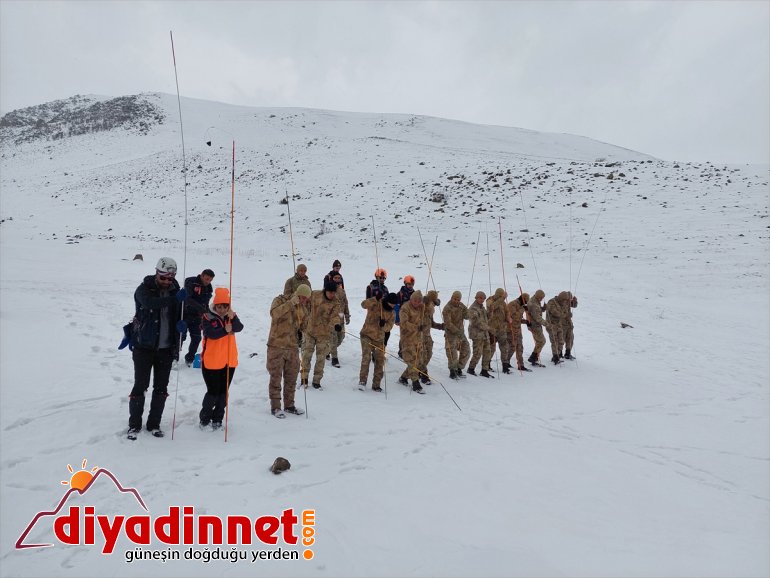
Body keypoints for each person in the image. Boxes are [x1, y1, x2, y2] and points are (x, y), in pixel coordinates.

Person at [127, 257, 186, 439]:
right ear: (157, 273)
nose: (167, 281)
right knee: (140, 386)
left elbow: (185, 311)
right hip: (143, 346)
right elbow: (150, 303)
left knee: (161, 388)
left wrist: (184, 326)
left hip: (166, 348)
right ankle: (134, 425)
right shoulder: (143, 289)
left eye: (170, 278)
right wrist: (174, 299)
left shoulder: (177, 291)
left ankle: (154, 424)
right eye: (163, 278)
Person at [199, 287, 243, 429]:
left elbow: (239, 327)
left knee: (223, 393)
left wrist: (233, 317)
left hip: (229, 362)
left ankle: (218, 418)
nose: (222, 310)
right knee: (213, 393)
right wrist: (225, 330)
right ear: (215, 305)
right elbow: (211, 333)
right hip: (211, 362)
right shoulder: (207, 317)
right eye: (219, 306)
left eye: (225, 306)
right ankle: (205, 417)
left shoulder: (231, 316)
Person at [266, 284, 310, 417]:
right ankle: (275, 407)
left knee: (291, 378)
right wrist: (290, 304)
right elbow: (274, 314)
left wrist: (303, 331)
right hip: (276, 346)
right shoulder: (280, 300)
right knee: (276, 377)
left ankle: (289, 405)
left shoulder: (303, 308)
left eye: (305, 299)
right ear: (297, 294)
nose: (303, 301)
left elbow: (304, 325)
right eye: (301, 298)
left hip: (292, 348)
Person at [300, 278, 342, 389]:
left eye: (334, 293)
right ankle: (304, 378)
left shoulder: (336, 302)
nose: (332, 295)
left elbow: (335, 316)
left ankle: (316, 381)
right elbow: (304, 302)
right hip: (310, 331)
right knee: (306, 355)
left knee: (321, 358)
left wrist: (336, 324)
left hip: (324, 334)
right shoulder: (315, 294)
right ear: (325, 290)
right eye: (330, 292)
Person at [359, 292, 397, 391]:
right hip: (366, 335)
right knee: (366, 358)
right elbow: (363, 304)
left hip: (380, 339)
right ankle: (362, 381)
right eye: (391, 303)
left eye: (394, 304)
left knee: (380, 361)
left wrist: (383, 325)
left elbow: (389, 327)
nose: (392, 305)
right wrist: (375, 298)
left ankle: (376, 384)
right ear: (386, 300)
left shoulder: (392, 313)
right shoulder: (376, 303)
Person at [182, 268, 215, 366]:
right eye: (207, 279)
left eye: (210, 280)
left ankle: (189, 358)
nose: (208, 282)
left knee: (196, 338)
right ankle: (174, 357)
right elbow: (187, 299)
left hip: (197, 317)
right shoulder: (190, 282)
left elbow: (206, 304)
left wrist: (209, 316)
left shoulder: (209, 287)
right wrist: (201, 309)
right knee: (180, 337)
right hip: (184, 314)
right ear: (201, 275)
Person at [397, 291, 426, 393]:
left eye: (419, 301)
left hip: (417, 338)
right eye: (415, 300)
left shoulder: (421, 307)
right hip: (407, 338)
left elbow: (427, 302)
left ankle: (403, 378)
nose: (416, 303)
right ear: (411, 299)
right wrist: (416, 327)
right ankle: (415, 382)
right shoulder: (405, 308)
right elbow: (404, 323)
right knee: (412, 361)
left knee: (418, 361)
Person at [417, 290, 444, 384]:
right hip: (419, 336)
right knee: (422, 356)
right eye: (433, 302)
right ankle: (424, 375)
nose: (433, 306)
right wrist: (426, 300)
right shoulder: (423, 307)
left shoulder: (430, 312)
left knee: (429, 355)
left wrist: (441, 326)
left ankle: (417, 371)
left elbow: (431, 323)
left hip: (427, 336)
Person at [442, 291, 470, 379]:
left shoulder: (461, 306)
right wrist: (457, 331)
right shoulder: (447, 308)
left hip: (460, 333)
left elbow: (467, 316)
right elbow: (448, 323)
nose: (456, 301)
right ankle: (452, 371)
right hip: (451, 333)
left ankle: (459, 368)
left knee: (466, 349)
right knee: (452, 353)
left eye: (458, 299)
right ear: (451, 297)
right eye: (455, 299)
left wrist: (469, 314)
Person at [284, 264, 311, 348]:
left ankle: (302, 340)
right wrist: (295, 297)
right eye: (301, 270)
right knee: (294, 324)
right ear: (297, 270)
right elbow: (286, 294)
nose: (303, 272)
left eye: (304, 271)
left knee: (303, 324)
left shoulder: (307, 282)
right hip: (294, 306)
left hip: (304, 307)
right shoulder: (290, 281)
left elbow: (310, 294)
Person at [327, 270, 350, 367]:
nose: (337, 279)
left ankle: (327, 350)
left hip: (340, 318)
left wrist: (347, 315)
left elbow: (345, 304)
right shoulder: (328, 290)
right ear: (332, 279)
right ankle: (334, 358)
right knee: (333, 338)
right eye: (335, 278)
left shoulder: (342, 291)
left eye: (338, 278)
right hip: (332, 319)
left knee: (341, 337)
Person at [467, 291, 493, 377]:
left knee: (487, 352)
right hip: (477, 334)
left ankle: (484, 370)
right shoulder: (472, 308)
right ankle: (471, 369)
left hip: (485, 334)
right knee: (477, 353)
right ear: (476, 297)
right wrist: (488, 328)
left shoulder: (482, 308)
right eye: (480, 298)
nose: (482, 300)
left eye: (483, 299)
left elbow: (488, 317)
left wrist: (490, 309)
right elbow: (476, 322)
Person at [486, 288, 511, 373]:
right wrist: (501, 298)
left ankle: (505, 366)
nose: (501, 297)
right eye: (500, 295)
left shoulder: (503, 302)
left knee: (504, 347)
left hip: (502, 329)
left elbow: (507, 311)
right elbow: (492, 307)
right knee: (491, 348)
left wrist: (508, 317)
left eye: (502, 295)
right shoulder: (490, 300)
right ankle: (487, 365)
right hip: (492, 329)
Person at [507, 292, 532, 372]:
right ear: (523, 299)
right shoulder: (512, 304)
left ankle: (521, 365)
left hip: (517, 329)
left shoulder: (521, 306)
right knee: (512, 347)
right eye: (526, 301)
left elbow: (519, 319)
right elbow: (514, 316)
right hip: (510, 329)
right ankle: (505, 361)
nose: (526, 303)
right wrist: (523, 309)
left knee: (520, 347)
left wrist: (525, 321)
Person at [394, 275, 415, 357]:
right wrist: (397, 319)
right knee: (404, 335)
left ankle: (409, 350)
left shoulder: (414, 293)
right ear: (405, 283)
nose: (410, 286)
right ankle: (401, 351)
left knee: (412, 335)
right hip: (403, 318)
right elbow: (396, 307)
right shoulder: (400, 294)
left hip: (413, 318)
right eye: (409, 284)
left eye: (412, 284)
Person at [526, 289, 548, 366]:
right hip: (534, 325)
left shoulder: (535, 300)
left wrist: (543, 308)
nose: (542, 299)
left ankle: (534, 357)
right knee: (542, 341)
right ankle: (533, 357)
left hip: (535, 325)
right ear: (538, 296)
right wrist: (546, 323)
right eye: (541, 297)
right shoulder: (533, 304)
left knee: (540, 341)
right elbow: (537, 317)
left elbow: (537, 311)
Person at [545, 292, 565, 365]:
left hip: (558, 325)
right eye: (563, 300)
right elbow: (555, 313)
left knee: (561, 341)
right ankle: (555, 357)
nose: (564, 302)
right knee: (554, 341)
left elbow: (568, 307)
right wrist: (564, 315)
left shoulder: (561, 303)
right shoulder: (551, 302)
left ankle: (558, 354)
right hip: (551, 326)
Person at [563, 293, 578, 359]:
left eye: (570, 299)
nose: (570, 300)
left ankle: (568, 353)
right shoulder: (561, 303)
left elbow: (574, 306)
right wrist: (568, 315)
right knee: (562, 339)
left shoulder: (568, 302)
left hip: (569, 324)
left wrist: (575, 301)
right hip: (562, 324)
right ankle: (558, 353)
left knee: (570, 337)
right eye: (569, 299)